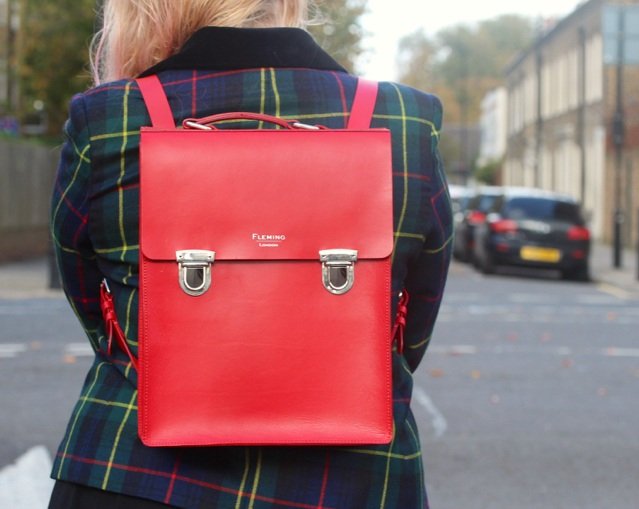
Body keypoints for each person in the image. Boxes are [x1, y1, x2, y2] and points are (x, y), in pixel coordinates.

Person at [49, 1, 453, 507]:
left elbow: (91, 299)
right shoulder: (404, 119)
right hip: (351, 479)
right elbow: (414, 312)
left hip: (133, 471)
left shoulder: (110, 116)